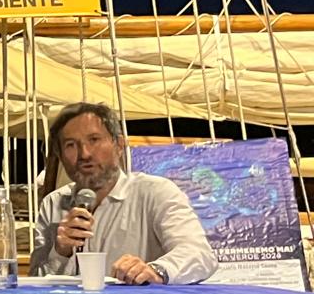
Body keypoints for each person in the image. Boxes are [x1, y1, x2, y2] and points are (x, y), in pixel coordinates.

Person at [31, 101, 217, 284]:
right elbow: (36, 281)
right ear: (60, 155)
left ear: (119, 145)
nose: (84, 154)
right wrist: (60, 252)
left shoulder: (155, 192)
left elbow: (199, 253)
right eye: (71, 145)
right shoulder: (53, 203)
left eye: (94, 140)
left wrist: (155, 270)